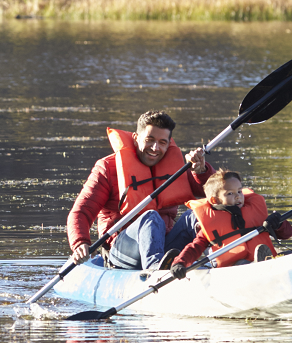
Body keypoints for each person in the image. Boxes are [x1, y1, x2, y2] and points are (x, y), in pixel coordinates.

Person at [67, 110, 212, 270]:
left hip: (165, 245)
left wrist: (201, 170)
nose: (155, 148)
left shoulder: (175, 167)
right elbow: (82, 211)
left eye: (162, 142)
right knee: (151, 217)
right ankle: (155, 271)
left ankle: (222, 261)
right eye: (149, 140)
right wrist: (80, 242)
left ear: (169, 143)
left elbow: (213, 195)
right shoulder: (107, 168)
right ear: (136, 138)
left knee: (197, 214)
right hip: (122, 251)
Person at [166, 170, 292, 274]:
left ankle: (264, 263)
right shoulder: (211, 223)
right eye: (230, 194)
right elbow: (194, 247)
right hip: (230, 271)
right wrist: (180, 262)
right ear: (215, 200)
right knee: (242, 264)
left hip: (259, 263)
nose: (238, 196)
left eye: (239, 191)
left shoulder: (255, 213)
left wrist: (279, 224)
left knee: (289, 255)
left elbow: (286, 234)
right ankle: (260, 265)